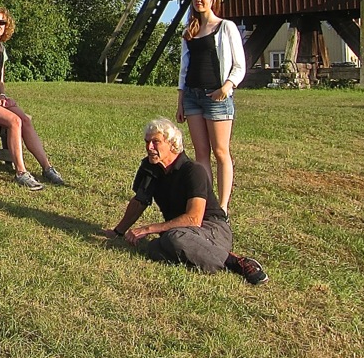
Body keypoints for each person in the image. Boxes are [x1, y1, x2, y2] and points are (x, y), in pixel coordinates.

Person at [102, 117, 267, 284]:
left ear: (172, 144)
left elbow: (194, 219)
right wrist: (118, 232)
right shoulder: (149, 167)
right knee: (153, 248)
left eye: (155, 142)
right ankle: (200, 257)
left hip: (211, 228)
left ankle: (236, 262)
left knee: (173, 238)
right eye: (147, 142)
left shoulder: (193, 171)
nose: (149, 147)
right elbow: (139, 201)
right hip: (181, 231)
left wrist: (149, 228)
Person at [0, 6, 65, 190]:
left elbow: (0, 80)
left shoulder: (1, 49)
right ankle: (20, 172)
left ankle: (47, 167)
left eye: (1, 22)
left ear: (6, 26)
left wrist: (1, 95)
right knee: (14, 121)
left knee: (25, 119)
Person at [176, 0, 246, 212]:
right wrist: (180, 101)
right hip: (192, 96)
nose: (199, 0)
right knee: (201, 153)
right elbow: (184, 68)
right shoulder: (190, 31)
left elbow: (239, 65)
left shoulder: (226, 27)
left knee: (220, 151)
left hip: (216, 97)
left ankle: (223, 206)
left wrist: (227, 87)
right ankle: (207, 203)